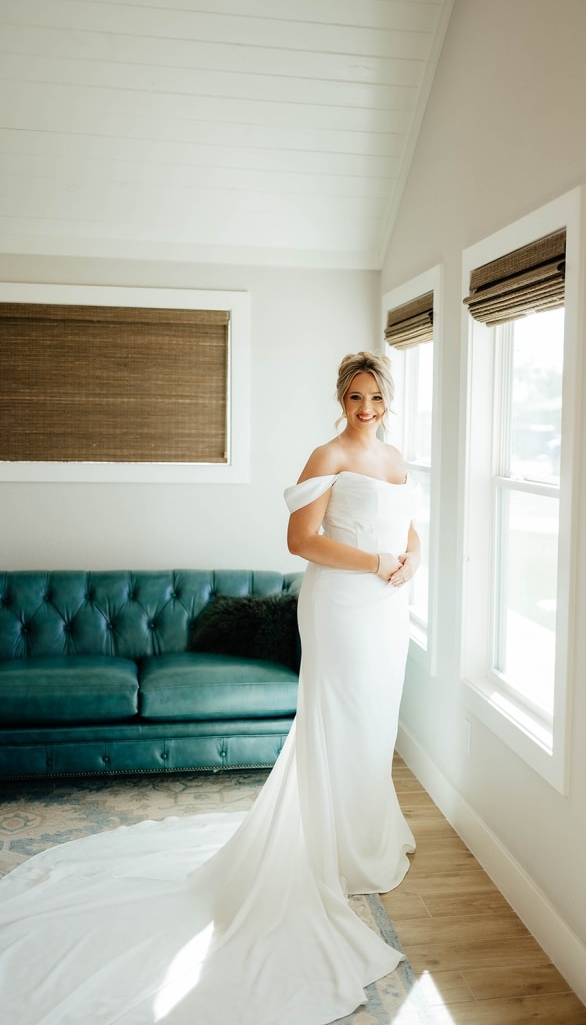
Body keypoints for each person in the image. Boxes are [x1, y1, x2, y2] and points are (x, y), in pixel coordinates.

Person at [0, 351, 422, 1024]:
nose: (365, 407)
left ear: (388, 399)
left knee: (374, 724)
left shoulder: (397, 459)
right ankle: (329, 846)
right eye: (355, 396)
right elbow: (300, 539)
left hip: (387, 609)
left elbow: (409, 528)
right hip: (341, 605)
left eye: (374, 396)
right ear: (340, 398)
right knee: (337, 720)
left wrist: (410, 561)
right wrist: (376, 561)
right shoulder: (327, 454)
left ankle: (367, 834)